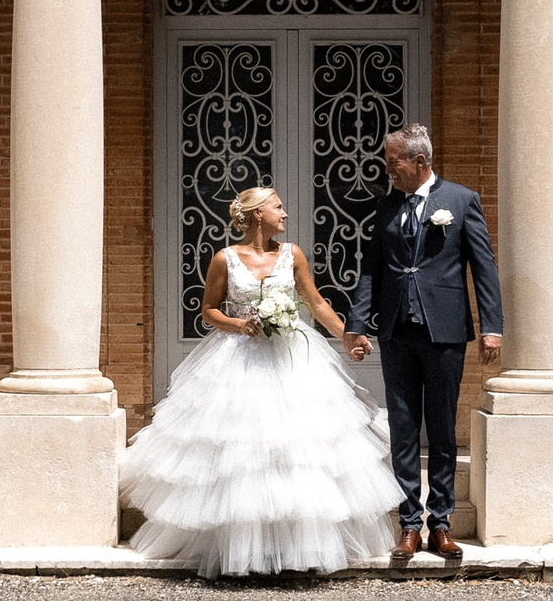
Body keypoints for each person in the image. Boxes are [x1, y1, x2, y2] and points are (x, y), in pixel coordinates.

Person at [120, 186, 402, 576]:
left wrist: (347, 335)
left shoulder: (292, 254)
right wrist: (239, 324)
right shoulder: (225, 259)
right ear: (257, 214)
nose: (285, 214)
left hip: (291, 359)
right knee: (242, 456)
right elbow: (208, 311)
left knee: (296, 452)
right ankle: (242, 549)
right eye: (278, 207)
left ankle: (293, 547)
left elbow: (316, 303)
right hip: (238, 357)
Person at [343, 124, 503, 559]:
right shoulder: (385, 206)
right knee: (404, 430)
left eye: (392, 162)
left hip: (445, 332)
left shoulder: (460, 200)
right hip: (396, 332)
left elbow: (483, 267)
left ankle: (442, 523)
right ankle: (410, 524)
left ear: (418, 162)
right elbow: (371, 269)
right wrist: (357, 325)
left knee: (442, 430)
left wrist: (492, 327)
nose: (387, 169)